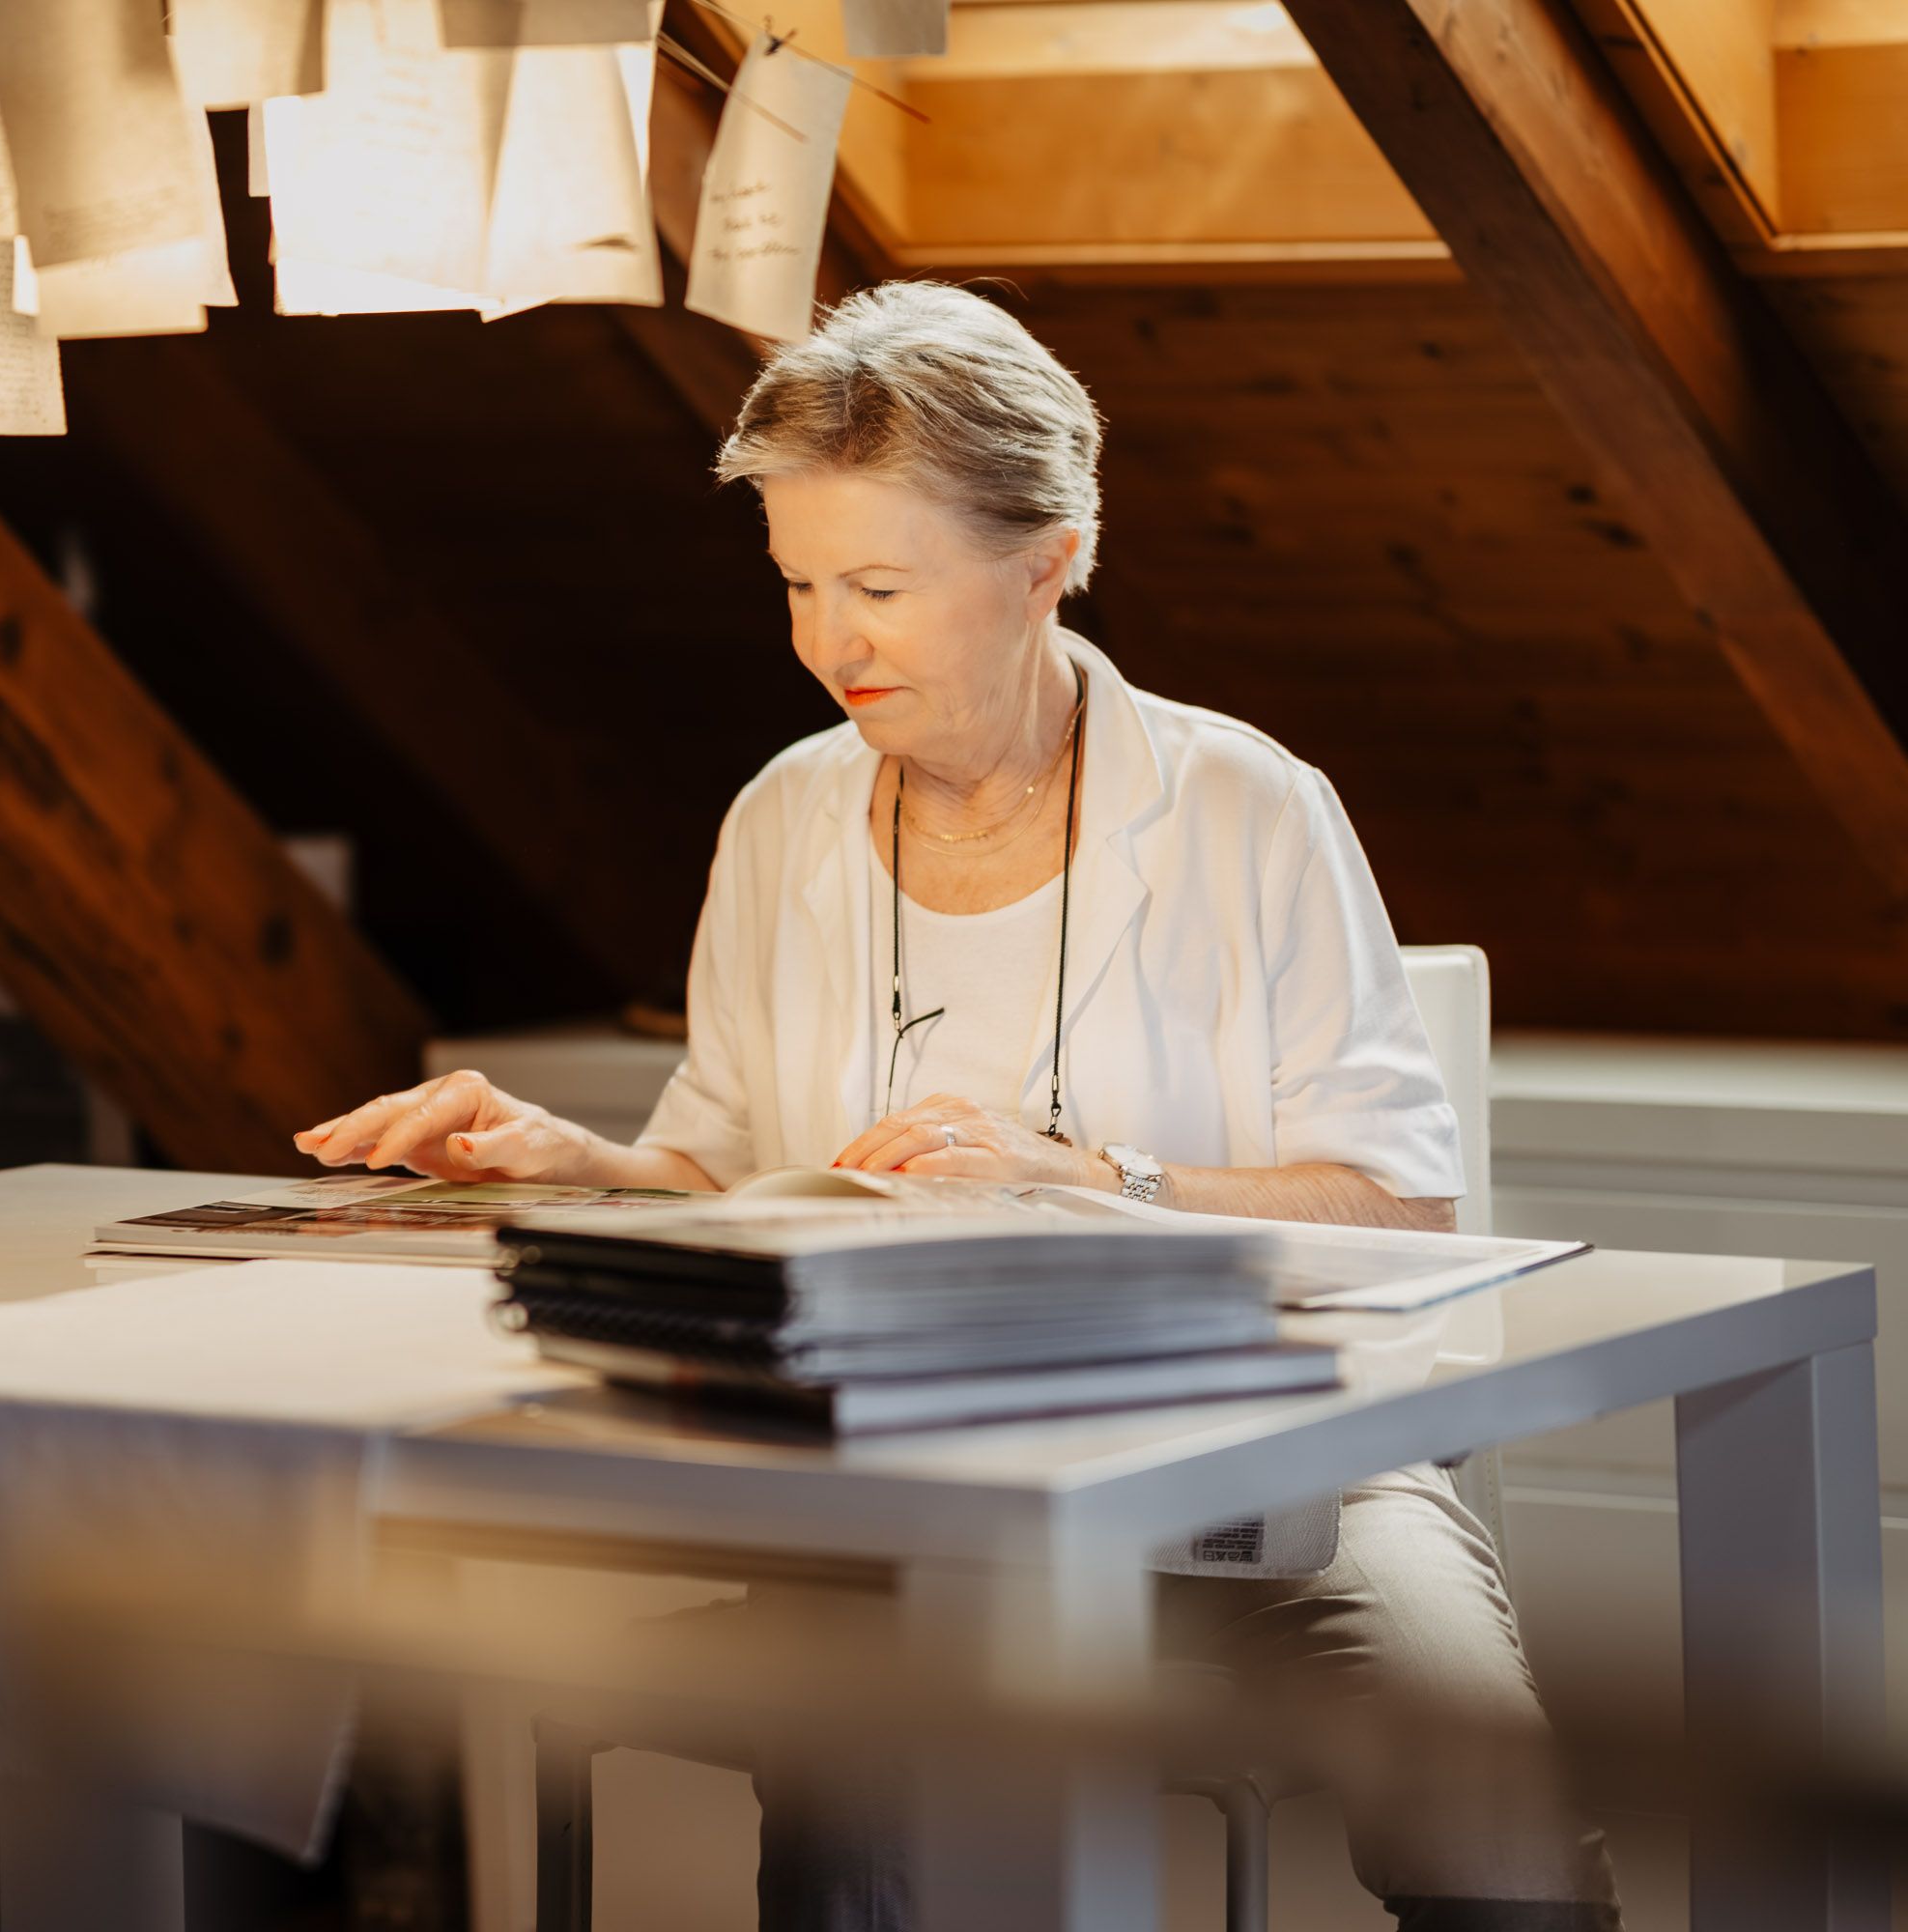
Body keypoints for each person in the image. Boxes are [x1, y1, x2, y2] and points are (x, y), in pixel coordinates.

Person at [293, 283, 1618, 1929]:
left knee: (1488, 1830)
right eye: (794, 584)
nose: (826, 643)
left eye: (880, 587)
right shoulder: (784, 816)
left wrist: (1093, 1176)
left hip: (1272, 1482)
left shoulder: (1247, 808)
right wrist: (582, 1161)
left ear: (1049, 557)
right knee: (869, 1809)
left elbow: (1406, 1215)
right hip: (893, 1493)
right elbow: (727, 1171)